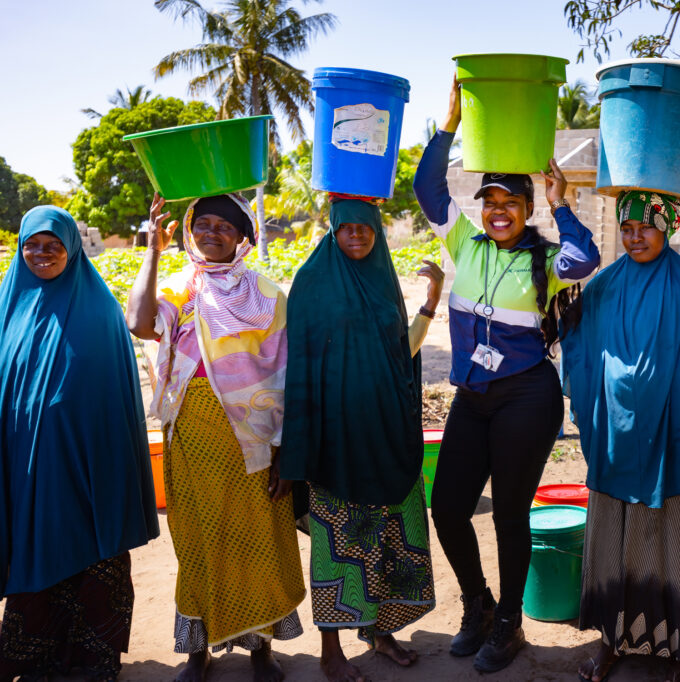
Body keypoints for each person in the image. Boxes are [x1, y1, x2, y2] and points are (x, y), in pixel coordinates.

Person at [412, 76, 600, 673]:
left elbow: (587, 257)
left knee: (512, 512)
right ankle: (479, 607)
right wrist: (448, 126)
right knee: (447, 508)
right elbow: (425, 186)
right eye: (490, 202)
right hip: (473, 396)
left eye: (510, 204)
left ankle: (511, 624)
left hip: (527, 396)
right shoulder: (464, 243)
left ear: (525, 209)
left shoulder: (548, 260)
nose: (498, 211)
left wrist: (560, 203)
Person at [127, 193, 305, 682]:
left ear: (242, 237)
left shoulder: (268, 295)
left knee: (259, 542)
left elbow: (288, 377)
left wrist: (286, 454)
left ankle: (261, 649)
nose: (210, 233)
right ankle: (197, 651)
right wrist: (153, 251)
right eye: (201, 224)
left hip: (255, 442)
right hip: (193, 438)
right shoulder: (180, 289)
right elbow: (139, 324)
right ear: (188, 232)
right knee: (199, 542)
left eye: (223, 226)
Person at [561, 190, 680, 682]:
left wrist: (670, 401)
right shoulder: (605, 285)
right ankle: (613, 641)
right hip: (617, 439)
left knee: (673, 534)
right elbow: (579, 340)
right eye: (628, 229)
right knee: (615, 538)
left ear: (668, 228)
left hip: (675, 439)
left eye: (646, 228)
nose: (635, 237)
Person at [279, 196, 443, 682]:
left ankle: (381, 632)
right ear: (332, 229)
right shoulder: (311, 283)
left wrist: (430, 304)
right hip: (337, 443)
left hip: (387, 434)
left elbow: (400, 354)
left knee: (389, 537)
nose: (356, 235)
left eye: (365, 227)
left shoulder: (382, 278)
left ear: (377, 231)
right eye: (346, 227)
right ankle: (331, 650)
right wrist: (296, 455)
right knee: (339, 543)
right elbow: (300, 371)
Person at [0, 206, 160, 681]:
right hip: (27, 467)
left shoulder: (100, 310)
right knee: (36, 543)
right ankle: (35, 654)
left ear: (71, 248)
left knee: (93, 552)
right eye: (32, 244)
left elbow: (114, 397)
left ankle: (95, 657)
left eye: (52, 245)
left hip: (89, 465)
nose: (41, 254)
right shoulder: (8, 306)